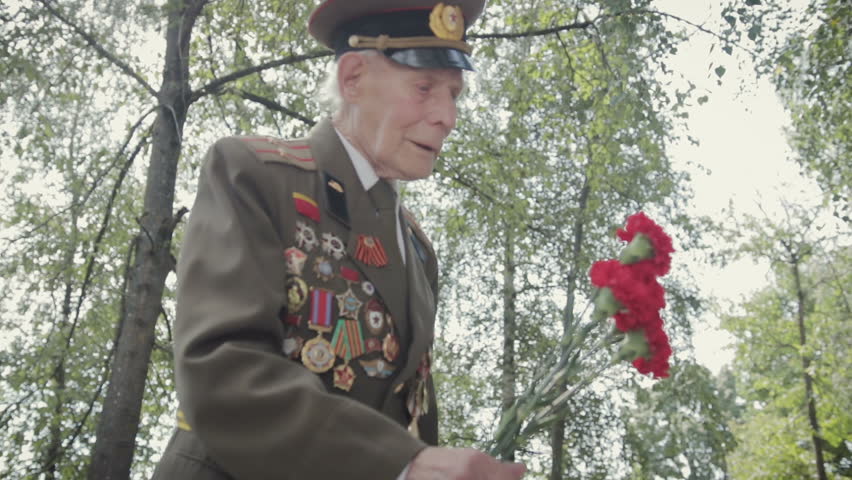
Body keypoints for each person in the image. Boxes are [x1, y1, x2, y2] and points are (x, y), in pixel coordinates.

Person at [152, 1, 526, 479]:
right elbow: (222, 371)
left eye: (454, 94)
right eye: (424, 87)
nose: (447, 116)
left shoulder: (416, 249)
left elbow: (407, 412)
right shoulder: (256, 175)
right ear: (352, 78)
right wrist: (402, 466)